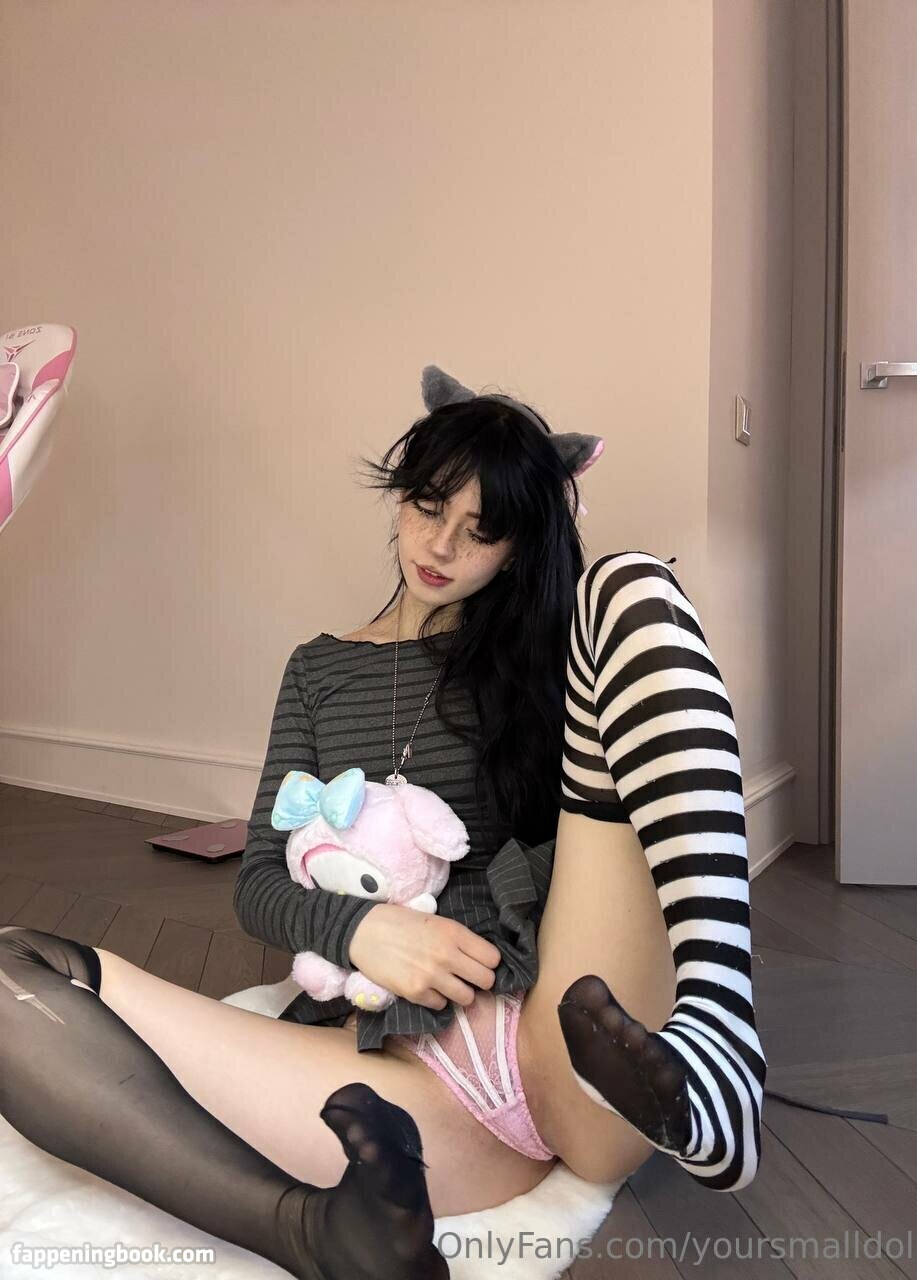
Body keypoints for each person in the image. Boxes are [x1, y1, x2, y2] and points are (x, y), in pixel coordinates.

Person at [0, 368, 764, 1280]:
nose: (441, 545)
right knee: (12, 968)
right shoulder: (318, 670)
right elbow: (259, 884)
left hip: (565, 1035)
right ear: (399, 494)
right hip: (403, 1086)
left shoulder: (545, 648)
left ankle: (721, 1043)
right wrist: (365, 930)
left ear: (519, 547)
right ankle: (312, 1233)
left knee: (634, 583)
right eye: (428, 506)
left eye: (483, 530)